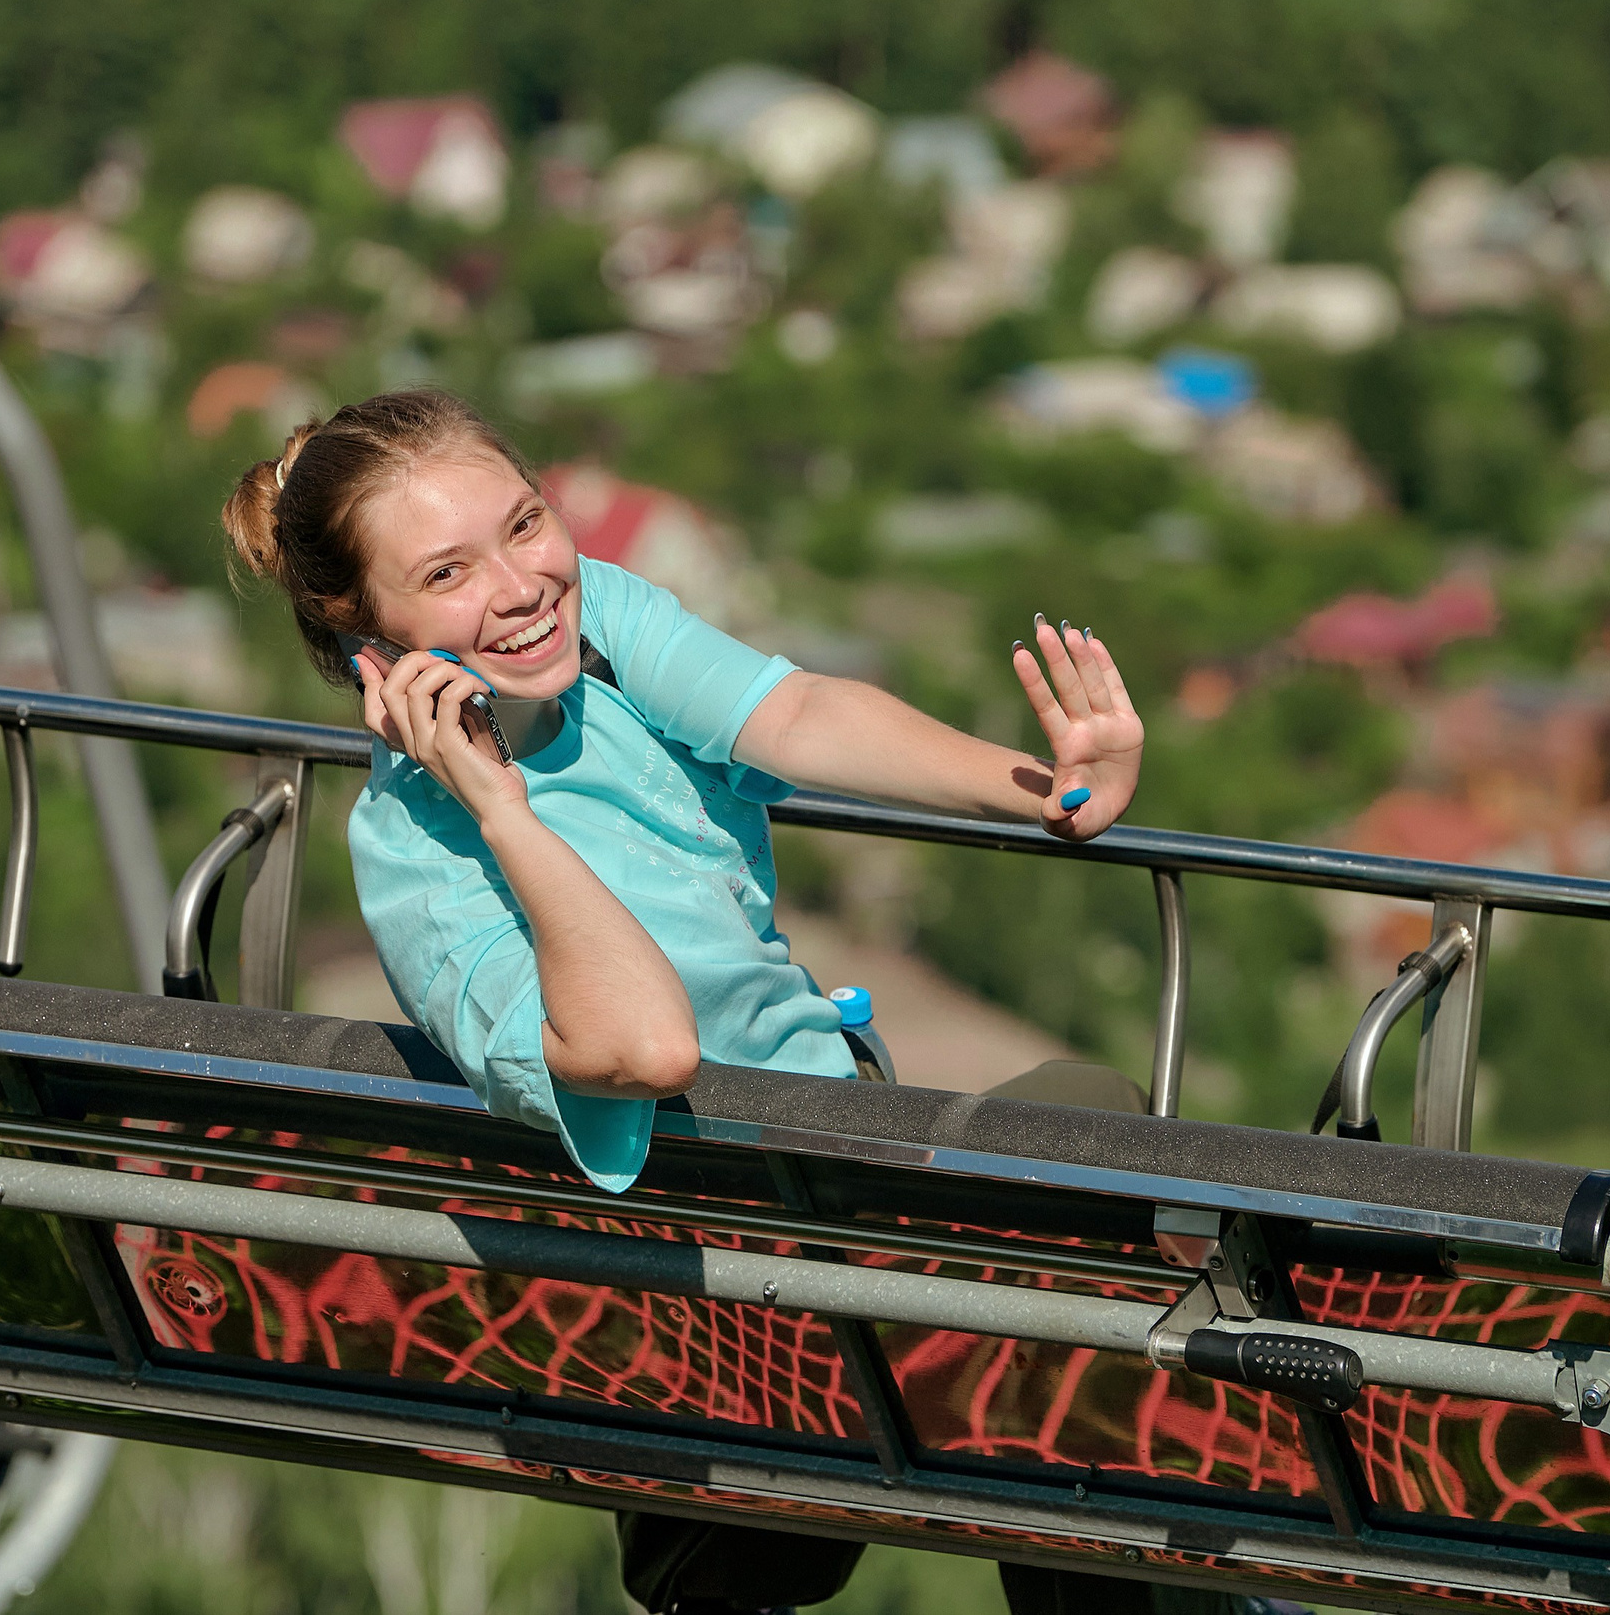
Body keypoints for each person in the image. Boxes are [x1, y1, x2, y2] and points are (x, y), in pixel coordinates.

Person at [224, 388, 1152, 1614]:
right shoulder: (420, 856)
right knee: (1076, 1341)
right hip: (703, 1297)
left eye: (526, 523)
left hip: (833, 1155)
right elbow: (645, 1046)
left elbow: (795, 712)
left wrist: (1047, 788)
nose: (519, 583)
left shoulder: (597, 622)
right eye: (448, 570)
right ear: (366, 635)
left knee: (1087, 1138)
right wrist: (500, 803)